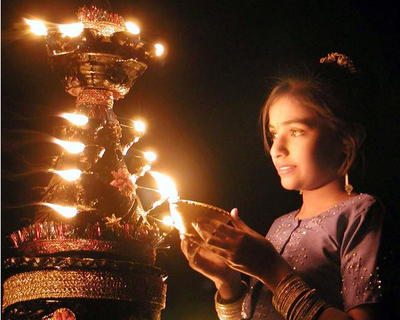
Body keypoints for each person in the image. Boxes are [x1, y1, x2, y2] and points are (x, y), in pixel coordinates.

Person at [180, 53, 385, 320]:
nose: (277, 149)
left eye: (296, 131)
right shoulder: (280, 226)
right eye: (274, 133)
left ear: (345, 141)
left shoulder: (361, 214)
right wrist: (228, 283)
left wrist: (271, 270)